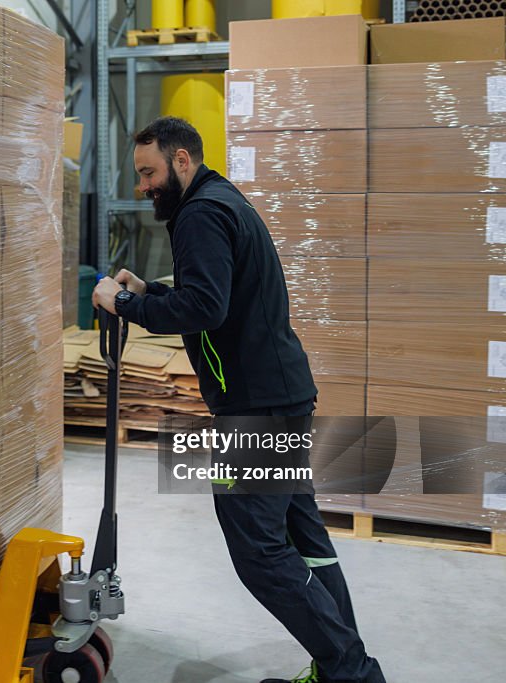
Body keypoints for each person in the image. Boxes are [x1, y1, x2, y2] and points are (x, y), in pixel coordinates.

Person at [92, 117, 386, 683]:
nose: (143, 186)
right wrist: (151, 292)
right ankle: (341, 669)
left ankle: (352, 672)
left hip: (254, 409)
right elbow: (216, 292)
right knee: (305, 541)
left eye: (150, 172)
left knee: (259, 552)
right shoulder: (221, 200)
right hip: (281, 399)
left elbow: (206, 309)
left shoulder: (199, 213)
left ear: (182, 161)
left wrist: (124, 305)